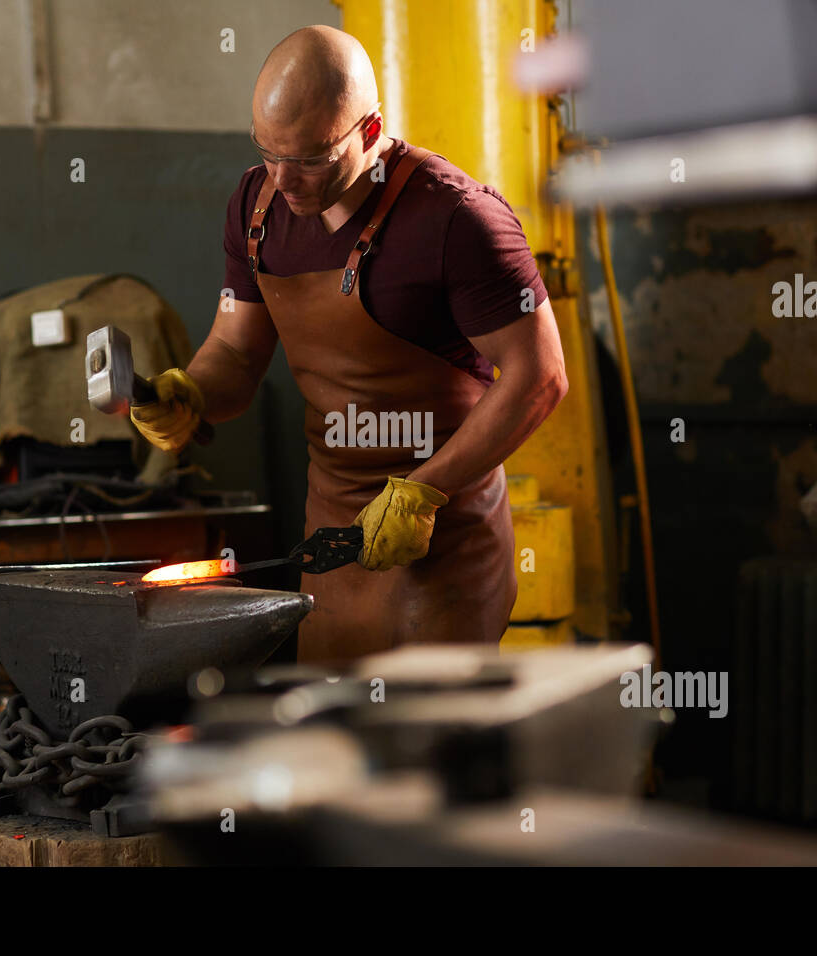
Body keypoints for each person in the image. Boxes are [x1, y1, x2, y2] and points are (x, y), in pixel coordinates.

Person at [132, 25, 567, 663]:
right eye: (266, 151)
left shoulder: (457, 219)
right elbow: (234, 354)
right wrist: (192, 394)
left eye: (309, 159)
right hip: (333, 531)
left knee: (424, 738)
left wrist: (424, 491)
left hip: (439, 528)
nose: (281, 180)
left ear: (368, 132)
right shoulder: (255, 209)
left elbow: (540, 377)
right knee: (330, 732)